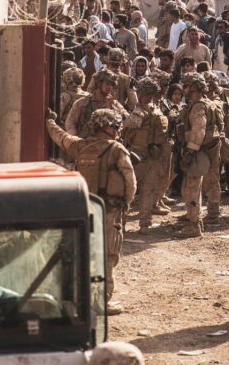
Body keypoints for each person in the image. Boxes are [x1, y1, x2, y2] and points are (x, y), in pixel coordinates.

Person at [45, 108, 136, 314]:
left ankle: (83, 298)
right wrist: (127, 203)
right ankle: (101, 301)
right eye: (113, 125)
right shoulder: (117, 149)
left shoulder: (80, 146)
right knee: (108, 256)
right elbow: (130, 179)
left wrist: (50, 122)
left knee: (86, 252)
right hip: (110, 210)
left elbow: (61, 137)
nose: (116, 129)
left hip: (84, 209)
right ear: (105, 126)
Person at [175, 72, 225, 237]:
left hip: (200, 150)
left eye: (187, 86)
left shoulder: (198, 106)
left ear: (194, 87)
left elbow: (198, 130)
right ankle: (206, 214)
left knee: (192, 186)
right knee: (211, 181)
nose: (184, 89)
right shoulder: (208, 103)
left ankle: (194, 224)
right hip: (211, 148)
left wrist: (189, 152)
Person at [120, 78, 169, 234]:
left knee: (129, 190)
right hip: (153, 155)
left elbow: (125, 128)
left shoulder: (138, 113)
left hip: (137, 155)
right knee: (147, 190)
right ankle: (144, 223)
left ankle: (124, 222)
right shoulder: (158, 110)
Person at [66, 69, 128, 137]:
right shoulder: (82, 103)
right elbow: (70, 123)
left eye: (112, 85)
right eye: (107, 84)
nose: (110, 87)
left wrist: (112, 108)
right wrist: (76, 140)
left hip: (107, 144)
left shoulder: (115, 104)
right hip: (86, 143)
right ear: (99, 84)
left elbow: (127, 120)